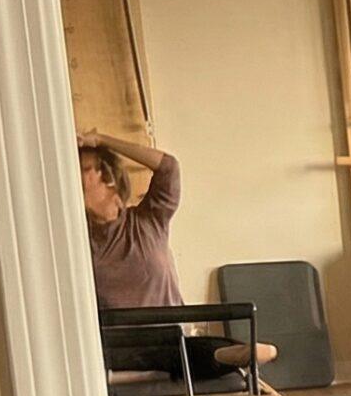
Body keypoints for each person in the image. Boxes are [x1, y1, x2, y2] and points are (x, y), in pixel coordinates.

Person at [78, 131, 272, 379]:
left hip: (172, 341)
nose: (75, 177)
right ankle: (153, 370)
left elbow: (168, 167)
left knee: (259, 351)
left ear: (109, 178)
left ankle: (206, 359)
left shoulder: (149, 219)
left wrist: (103, 139)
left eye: (84, 169)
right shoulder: (77, 242)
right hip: (118, 350)